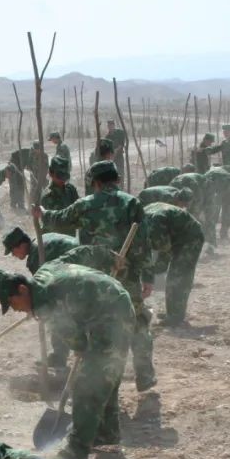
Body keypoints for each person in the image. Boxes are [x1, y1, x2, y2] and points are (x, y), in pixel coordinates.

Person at [0, 263, 134, 459]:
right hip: (109, 305)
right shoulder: (41, 276)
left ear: (22, 289)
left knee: (89, 383)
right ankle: (105, 433)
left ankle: (75, 451)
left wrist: (81, 347)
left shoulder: (44, 300)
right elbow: (71, 257)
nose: (16, 310)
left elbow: (70, 333)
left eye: (13, 303)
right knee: (104, 376)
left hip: (112, 315)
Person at [35, 160, 157, 393]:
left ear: (96, 183)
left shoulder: (85, 204)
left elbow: (58, 220)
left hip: (93, 280)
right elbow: (143, 243)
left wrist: (42, 213)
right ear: (116, 180)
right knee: (138, 323)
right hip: (127, 277)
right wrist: (148, 276)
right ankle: (145, 374)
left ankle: (98, 381)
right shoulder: (132, 203)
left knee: (96, 325)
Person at [3, 226, 77, 371]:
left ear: (22, 244)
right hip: (80, 268)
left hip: (77, 275)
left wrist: (35, 307)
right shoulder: (39, 242)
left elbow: (45, 291)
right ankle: (61, 354)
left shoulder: (37, 256)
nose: (13, 255)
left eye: (13, 250)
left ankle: (60, 357)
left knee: (55, 314)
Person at [143, 202, 205, 327]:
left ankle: (176, 317)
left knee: (178, 276)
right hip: (173, 237)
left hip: (190, 238)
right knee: (160, 269)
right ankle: (172, 313)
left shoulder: (155, 221)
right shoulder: (141, 217)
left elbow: (161, 247)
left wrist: (147, 276)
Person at [203, 125, 230, 222]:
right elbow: (215, 149)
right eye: (224, 132)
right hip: (226, 172)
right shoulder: (224, 142)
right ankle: (228, 214)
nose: (225, 133)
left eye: (226, 131)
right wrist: (204, 148)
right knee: (227, 192)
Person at [203, 164, 230, 243]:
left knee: (214, 210)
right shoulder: (227, 173)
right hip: (226, 183)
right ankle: (224, 233)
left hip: (211, 184)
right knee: (227, 209)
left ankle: (210, 233)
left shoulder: (210, 171)